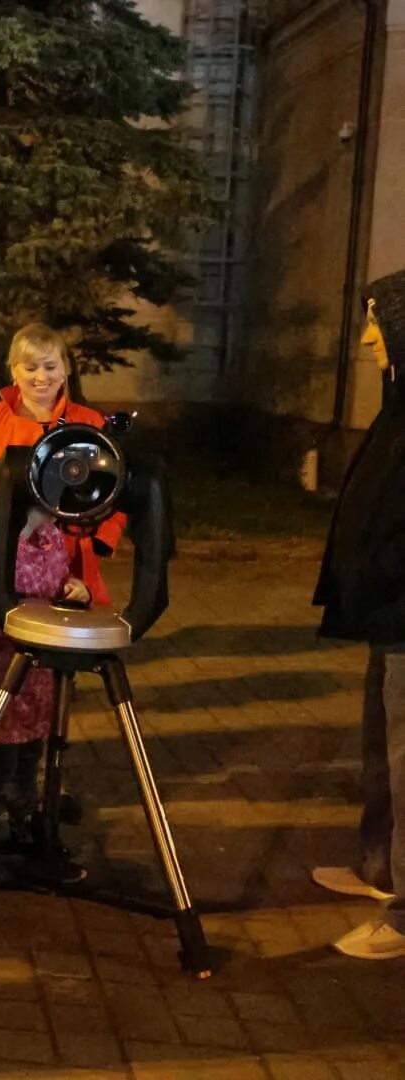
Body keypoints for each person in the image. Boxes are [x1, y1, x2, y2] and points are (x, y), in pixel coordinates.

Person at [0, 323, 123, 868]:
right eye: (29, 367)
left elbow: (111, 503)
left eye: (50, 366)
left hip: (59, 593)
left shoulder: (88, 426)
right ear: (12, 373)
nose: (40, 378)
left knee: (43, 719)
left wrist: (84, 571)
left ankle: (27, 814)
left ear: (65, 368)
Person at [311, 270, 405, 960]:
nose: (368, 335)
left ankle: (403, 916)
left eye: (379, 321)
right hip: (387, 615)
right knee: (382, 747)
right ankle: (380, 867)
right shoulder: (397, 401)